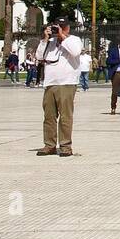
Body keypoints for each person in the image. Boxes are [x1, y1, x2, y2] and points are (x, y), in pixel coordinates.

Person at [35, 19, 81, 156]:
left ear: (67, 28)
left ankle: (65, 146)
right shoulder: (50, 43)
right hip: (50, 83)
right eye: (56, 27)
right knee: (49, 116)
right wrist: (45, 39)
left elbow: (75, 52)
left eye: (61, 27)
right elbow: (39, 56)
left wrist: (63, 37)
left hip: (66, 83)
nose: (58, 29)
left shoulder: (74, 40)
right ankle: (49, 145)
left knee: (65, 116)